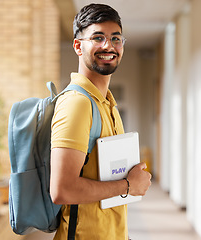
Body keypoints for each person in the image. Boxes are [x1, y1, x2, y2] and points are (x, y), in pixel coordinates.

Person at [50, 3, 152, 240]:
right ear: (78, 46)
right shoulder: (77, 103)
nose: (109, 46)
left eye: (116, 38)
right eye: (98, 37)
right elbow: (62, 189)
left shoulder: (107, 103)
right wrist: (128, 186)